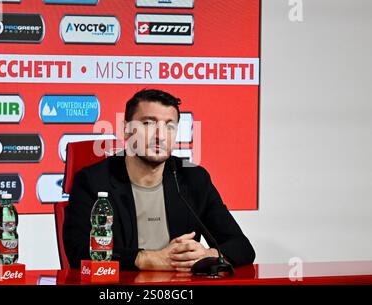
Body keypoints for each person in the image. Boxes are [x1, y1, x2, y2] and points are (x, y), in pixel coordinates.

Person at [63, 89, 255, 271]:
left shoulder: (193, 178)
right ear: (127, 130)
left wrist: (208, 255)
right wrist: (146, 259)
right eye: (148, 124)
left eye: (169, 126)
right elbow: (78, 252)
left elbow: (242, 247)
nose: (160, 136)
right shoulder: (93, 181)